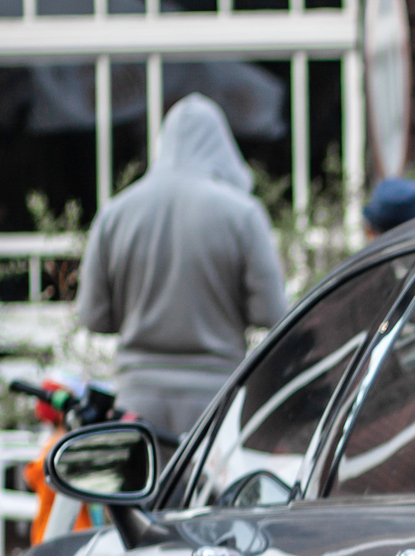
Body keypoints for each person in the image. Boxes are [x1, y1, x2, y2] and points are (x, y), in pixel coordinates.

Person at [77, 94, 290, 439]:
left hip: (137, 398)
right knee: (208, 493)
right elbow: (270, 312)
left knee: (143, 493)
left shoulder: (115, 213)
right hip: (215, 398)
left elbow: (93, 318)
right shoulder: (242, 214)